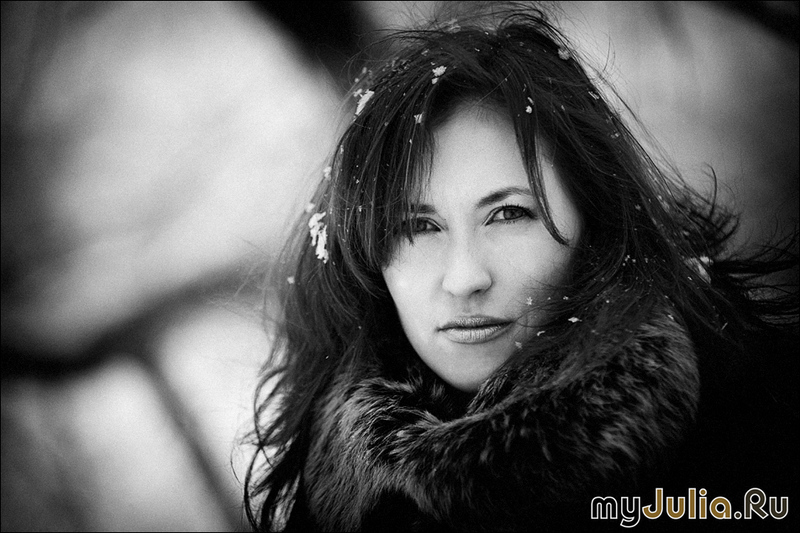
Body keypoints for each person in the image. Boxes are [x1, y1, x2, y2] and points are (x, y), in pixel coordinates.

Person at [244, 6, 798, 532]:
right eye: (418, 226)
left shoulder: (752, 442)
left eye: (509, 214)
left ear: (596, 221)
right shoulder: (336, 493)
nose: (465, 278)